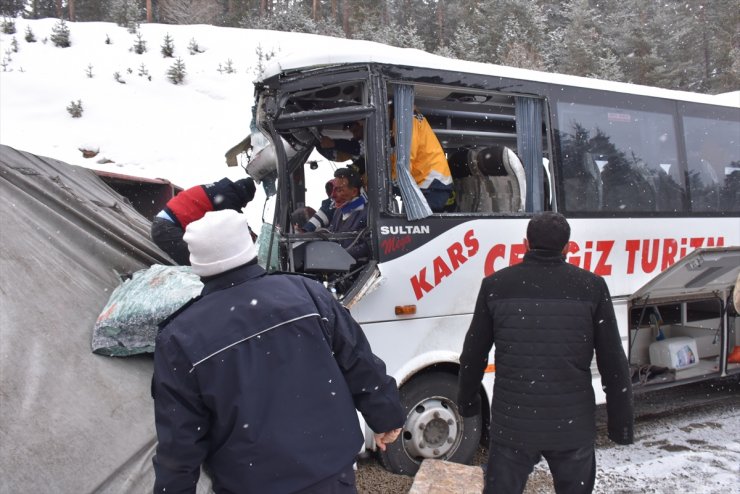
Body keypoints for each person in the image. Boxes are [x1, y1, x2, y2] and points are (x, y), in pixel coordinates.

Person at [151, 209, 405, 493]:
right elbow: (359, 361)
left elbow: (179, 441)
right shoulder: (308, 294)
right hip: (331, 476)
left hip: (250, 484)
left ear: (196, 263)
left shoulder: (179, 337)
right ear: (250, 246)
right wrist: (386, 416)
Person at [457, 212, 634, 494]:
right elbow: (613, 360)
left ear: (525, 244)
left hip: (513, 426)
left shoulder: (496, 285)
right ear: (567, 247)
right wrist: (621, 423)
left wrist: (467, 403)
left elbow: (473, 353)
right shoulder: (591, 286)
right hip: (572, 426)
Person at [150, 177, 255, 265]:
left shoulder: (220, 190)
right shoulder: (227, 198)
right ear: (244, 195)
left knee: (199, 262)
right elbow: (235, 221)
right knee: (197, 265)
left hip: (163, 225)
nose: (244, 205)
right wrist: (252, 238)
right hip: (166, 228)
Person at [391, 108, 453, 212]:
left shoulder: (405, 120)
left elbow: (406, 155)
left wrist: (393, 180)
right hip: (431, 183)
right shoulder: (409, 118)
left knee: (416, 225)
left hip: (430, 183)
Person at [328, 167, 369, 261]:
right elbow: (331, 233)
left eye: (339, 190)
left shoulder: (368, 213)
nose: (333, 195)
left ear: (354, 192)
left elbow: (368, 246)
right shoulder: (338, 212)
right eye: (333, 190)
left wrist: (340, 255)